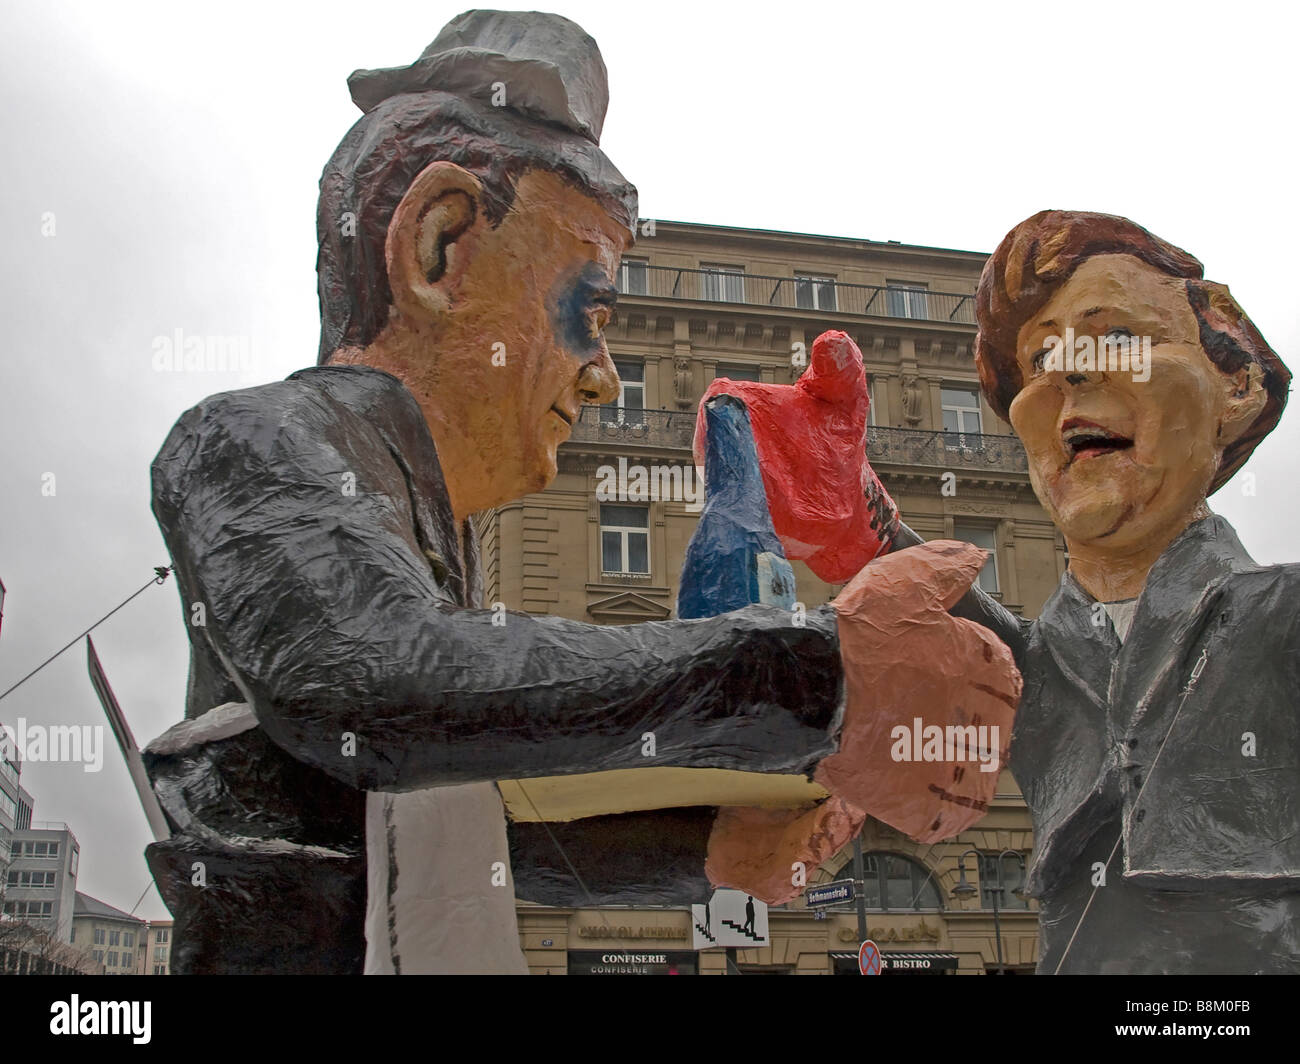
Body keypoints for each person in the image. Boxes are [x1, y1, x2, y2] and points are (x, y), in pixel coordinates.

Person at [140, 11, 1015, 975]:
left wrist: (712, 852)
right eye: (586, 312)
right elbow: (366, 681)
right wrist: (818, 671)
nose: (601, 377)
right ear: (441, 247)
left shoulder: (430, 532)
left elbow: (464, 839)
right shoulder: (253, 438)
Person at [902, 210, 1298, 973]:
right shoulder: (1033, 658)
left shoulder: (1279, 616)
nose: (1065, 375)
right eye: (1040, 358)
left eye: (1114, 336)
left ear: (1235, 383)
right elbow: (937, 612)